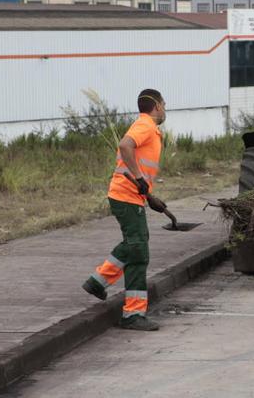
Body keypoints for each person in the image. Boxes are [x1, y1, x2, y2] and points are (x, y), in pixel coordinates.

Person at [82, 89, 168, 331]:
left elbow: (133, 159)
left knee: (137, 247)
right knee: (137, 247)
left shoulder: (148, 127)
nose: (164, 109)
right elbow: (125, 146)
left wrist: (147, 194)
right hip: (125, 196)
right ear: (157, 106)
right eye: (164, 104)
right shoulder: (146, 125)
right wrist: (140, 178)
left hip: (131, 196)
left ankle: (100, 284)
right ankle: (130, 312)